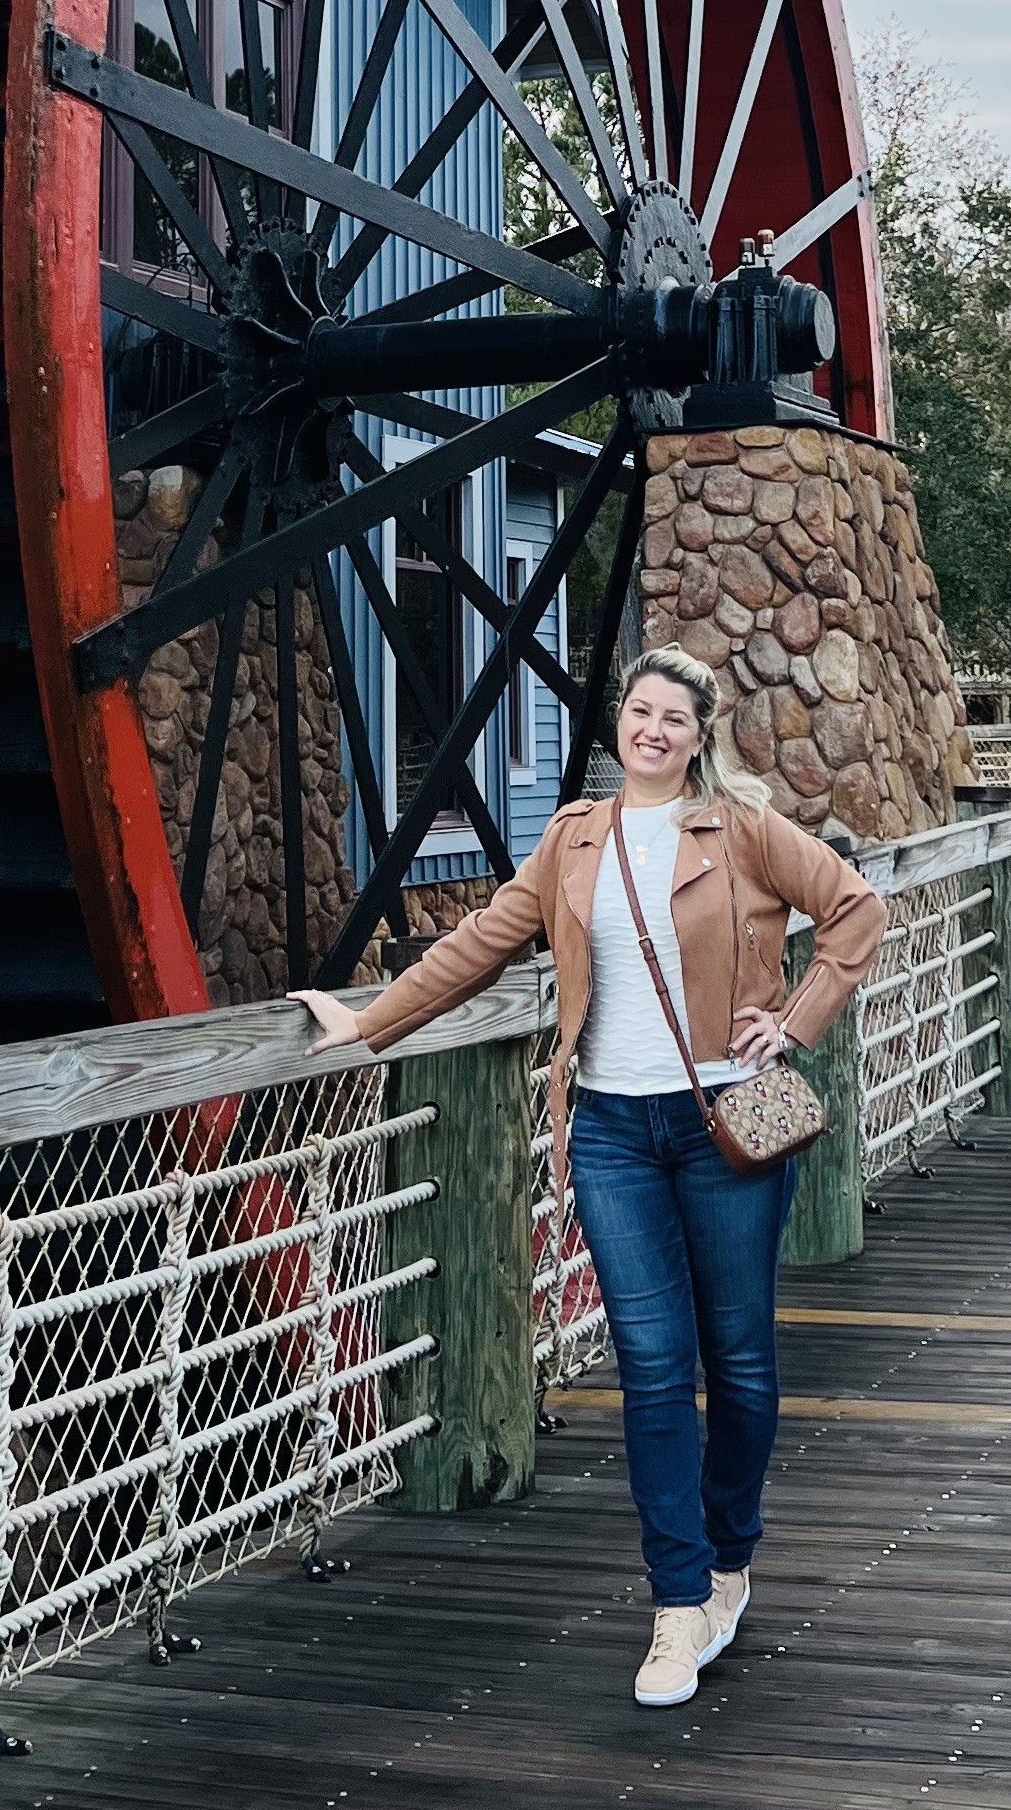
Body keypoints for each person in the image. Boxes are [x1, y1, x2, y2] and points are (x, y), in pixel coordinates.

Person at [297, 647, 885, 1708]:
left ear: (700, 736)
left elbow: (855, 911)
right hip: (611, 1129)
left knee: (740, 1365)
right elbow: (477, 944)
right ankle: (674, 1606)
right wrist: (366, 1023)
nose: (652, 730)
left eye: (674, 718)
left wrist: (792, 1023)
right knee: (654, 1365)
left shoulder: (742, 831)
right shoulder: (574, 838)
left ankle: (727, 1562)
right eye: (639, 711)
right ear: (622, 722)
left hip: (726, 1121)